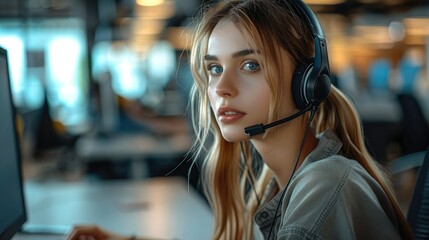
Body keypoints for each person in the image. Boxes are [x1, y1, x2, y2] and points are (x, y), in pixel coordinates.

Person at [67, 0, 414, 239]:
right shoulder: (278, 182)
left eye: (250, 65)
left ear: (307, 81)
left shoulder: (321, 191)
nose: (221, 87)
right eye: (215, 68)